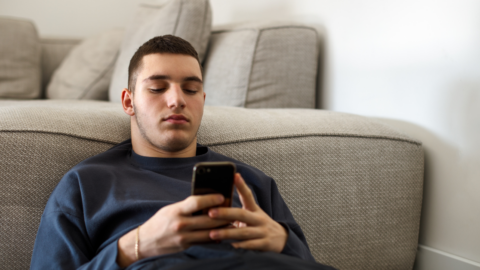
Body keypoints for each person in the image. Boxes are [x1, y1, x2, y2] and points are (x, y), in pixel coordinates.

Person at [30, 35, 335, 270]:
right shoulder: (84, 184)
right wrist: (135, 247)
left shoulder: (252, 182)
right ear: (128, 102)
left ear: (202, 100)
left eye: (190, 90)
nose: (176, 100)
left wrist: (282, 241)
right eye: (157, 88)